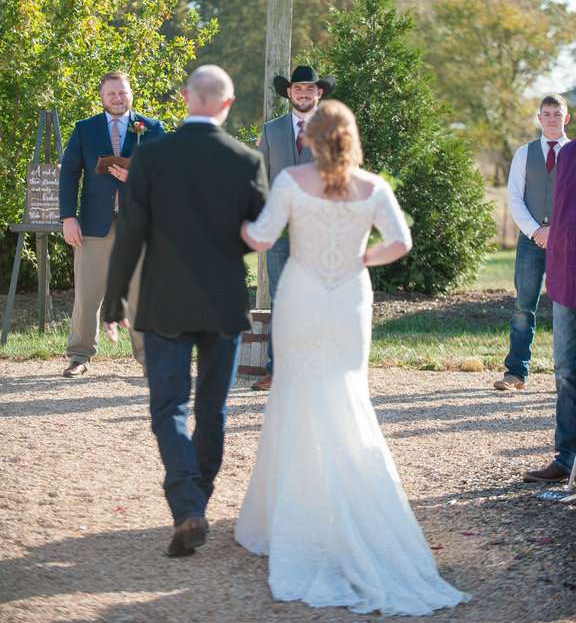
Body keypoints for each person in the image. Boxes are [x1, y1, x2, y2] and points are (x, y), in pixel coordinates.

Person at [235, 100, 469, 615]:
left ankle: (293, 519)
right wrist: (365, 257)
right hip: (348, 300)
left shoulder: (292, 182)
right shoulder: (373, 186)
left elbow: (262, 238)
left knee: (297, 391)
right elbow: (401, 242)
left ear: (309, 139)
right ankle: (354, 504)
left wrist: (237, 223)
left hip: (301, 294)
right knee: (345, 393)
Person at [102, 65, 267, 557]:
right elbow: (257, 235)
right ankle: (200, 500)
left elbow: (130, 233)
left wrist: (113, 300)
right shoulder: (246, 159)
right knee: (212, 409)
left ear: (185, 98)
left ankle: (187, 505)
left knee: (168, 406)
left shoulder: (152, 156)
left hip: (164, 301)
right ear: (227, 103)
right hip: (222, 302)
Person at [59, 71, 165, 378]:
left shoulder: (152, 128)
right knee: (87, 293)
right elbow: (69, 174)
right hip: (93, 225)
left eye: (122, 92)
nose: (118, 98)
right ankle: (79, 356)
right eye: (111, 94)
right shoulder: (85, 129)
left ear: (131, 94)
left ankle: (148, 357)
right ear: (102, 98)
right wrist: (67, 217)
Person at [252, 64, 336, 391]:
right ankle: (278, 369)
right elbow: (260, 177)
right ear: (289, 93)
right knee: (281, 297)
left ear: (319, 93)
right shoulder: (271, 131)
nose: (303, 94)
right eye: (298, 89)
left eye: (309, 89)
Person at [494, 94, 570, 391]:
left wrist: (558, 233)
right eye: (546, 113)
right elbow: (513, 197)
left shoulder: (574, 154)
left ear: (566, 118)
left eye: (557, 113)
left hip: (568, 244)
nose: (551, 118)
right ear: (539, 118)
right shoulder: (524, 154)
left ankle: (567, 377)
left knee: (569, 308)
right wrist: (536, 231)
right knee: (524, 307)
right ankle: (516, 373)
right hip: (530, 241)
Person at [523, 133, 576, 485]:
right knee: (565, 370)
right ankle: (567, 457)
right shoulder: (569, 154)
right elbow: (560, 212)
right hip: (567, 274)